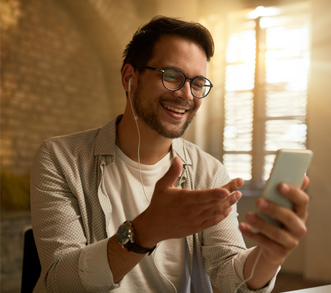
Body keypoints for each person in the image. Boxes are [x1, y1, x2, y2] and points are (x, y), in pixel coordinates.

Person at [30, 16, 310, 293]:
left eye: (198, 83)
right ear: (130, 78)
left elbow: (227, 276)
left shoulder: (208, 173)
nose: (187, 95)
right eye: (172, 76)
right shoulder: (60, 158)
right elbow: (59, 280)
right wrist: (146, 230)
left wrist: (270, 256)